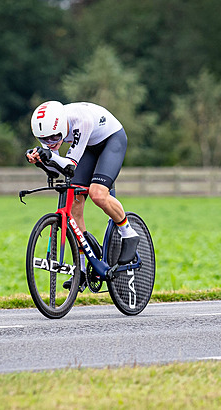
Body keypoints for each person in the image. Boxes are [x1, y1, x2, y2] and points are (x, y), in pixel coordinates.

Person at [26, 101, 140, 289]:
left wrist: (50, 155)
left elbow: (70, 165)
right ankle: (80, 269)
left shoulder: (81, 120)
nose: (51, 143)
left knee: (98, 194)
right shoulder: (52, 132)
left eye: (55, 137)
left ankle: (129, 233)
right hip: (88, 146)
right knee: (74, 202)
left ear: (62, 126)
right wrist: (40, 160)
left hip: (111, 140)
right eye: (44, 140)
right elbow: (55, 172)